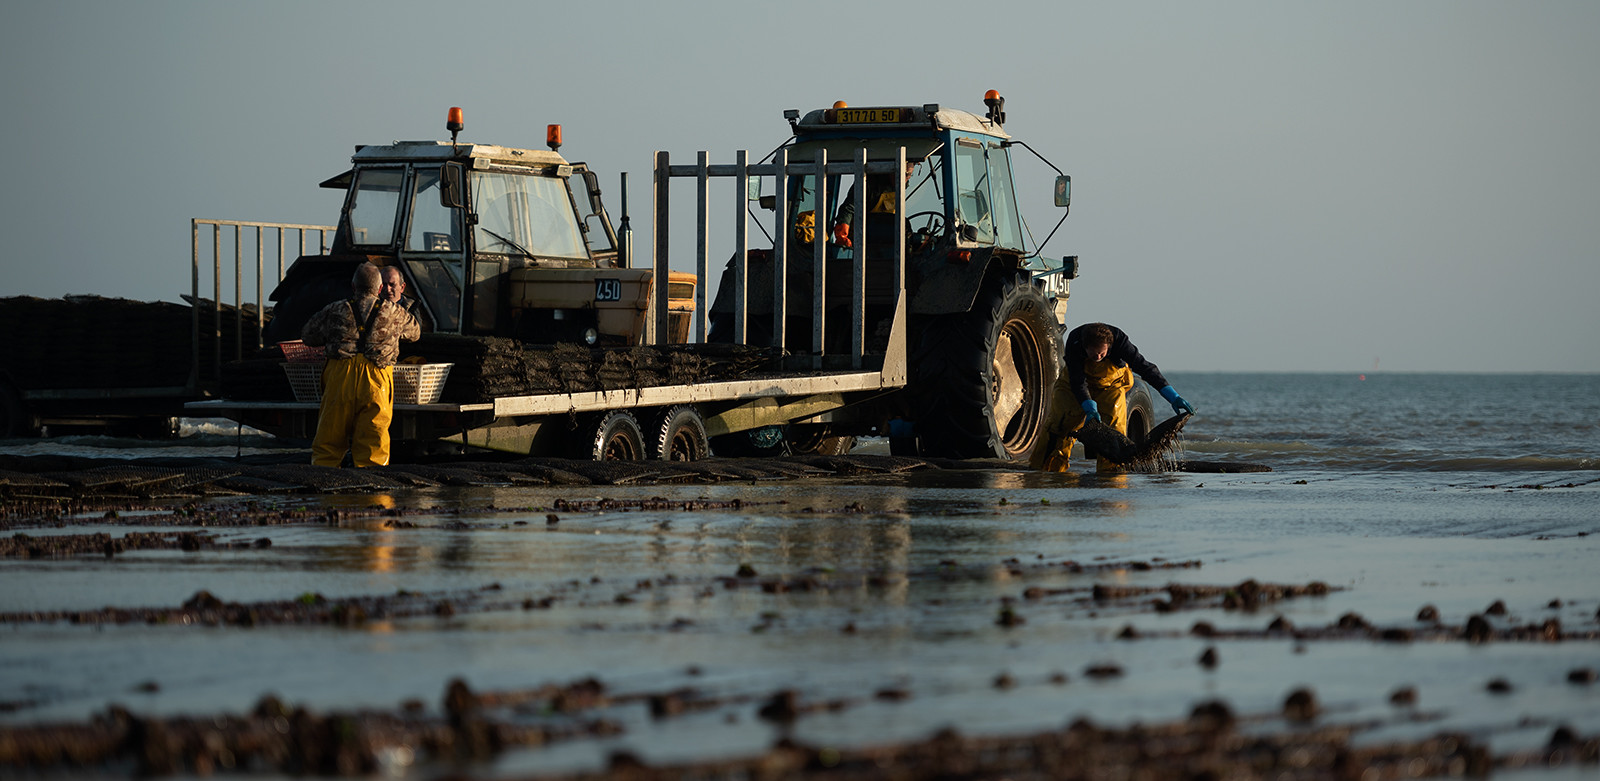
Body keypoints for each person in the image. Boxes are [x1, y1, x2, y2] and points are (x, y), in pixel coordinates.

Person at [1031, 322, 1195, 472]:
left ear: (1109, 347)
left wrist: (1173, 396)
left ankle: (1110, 475)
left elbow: (1146, 369)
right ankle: (1046, 472)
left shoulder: (1121, 342)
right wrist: (1089, 407)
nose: (1098, 358)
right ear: (1084, 347)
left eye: (1102, 354)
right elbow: (1078, 382)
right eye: (1093, 354)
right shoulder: (1074, 342)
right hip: (1072, 386)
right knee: (1059, 426)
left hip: (1111, 385)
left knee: (1115, 427)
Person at [302, 263, 420, 468]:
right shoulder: (395, 312)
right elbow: (415, 333)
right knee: (373, 442)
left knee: (329, 441)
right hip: (377, 378)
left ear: (353, 287)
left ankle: (322, 485)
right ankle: (373, 492)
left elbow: (307, 336)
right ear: (380, 288)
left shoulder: (334, 309)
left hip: (340, 376)